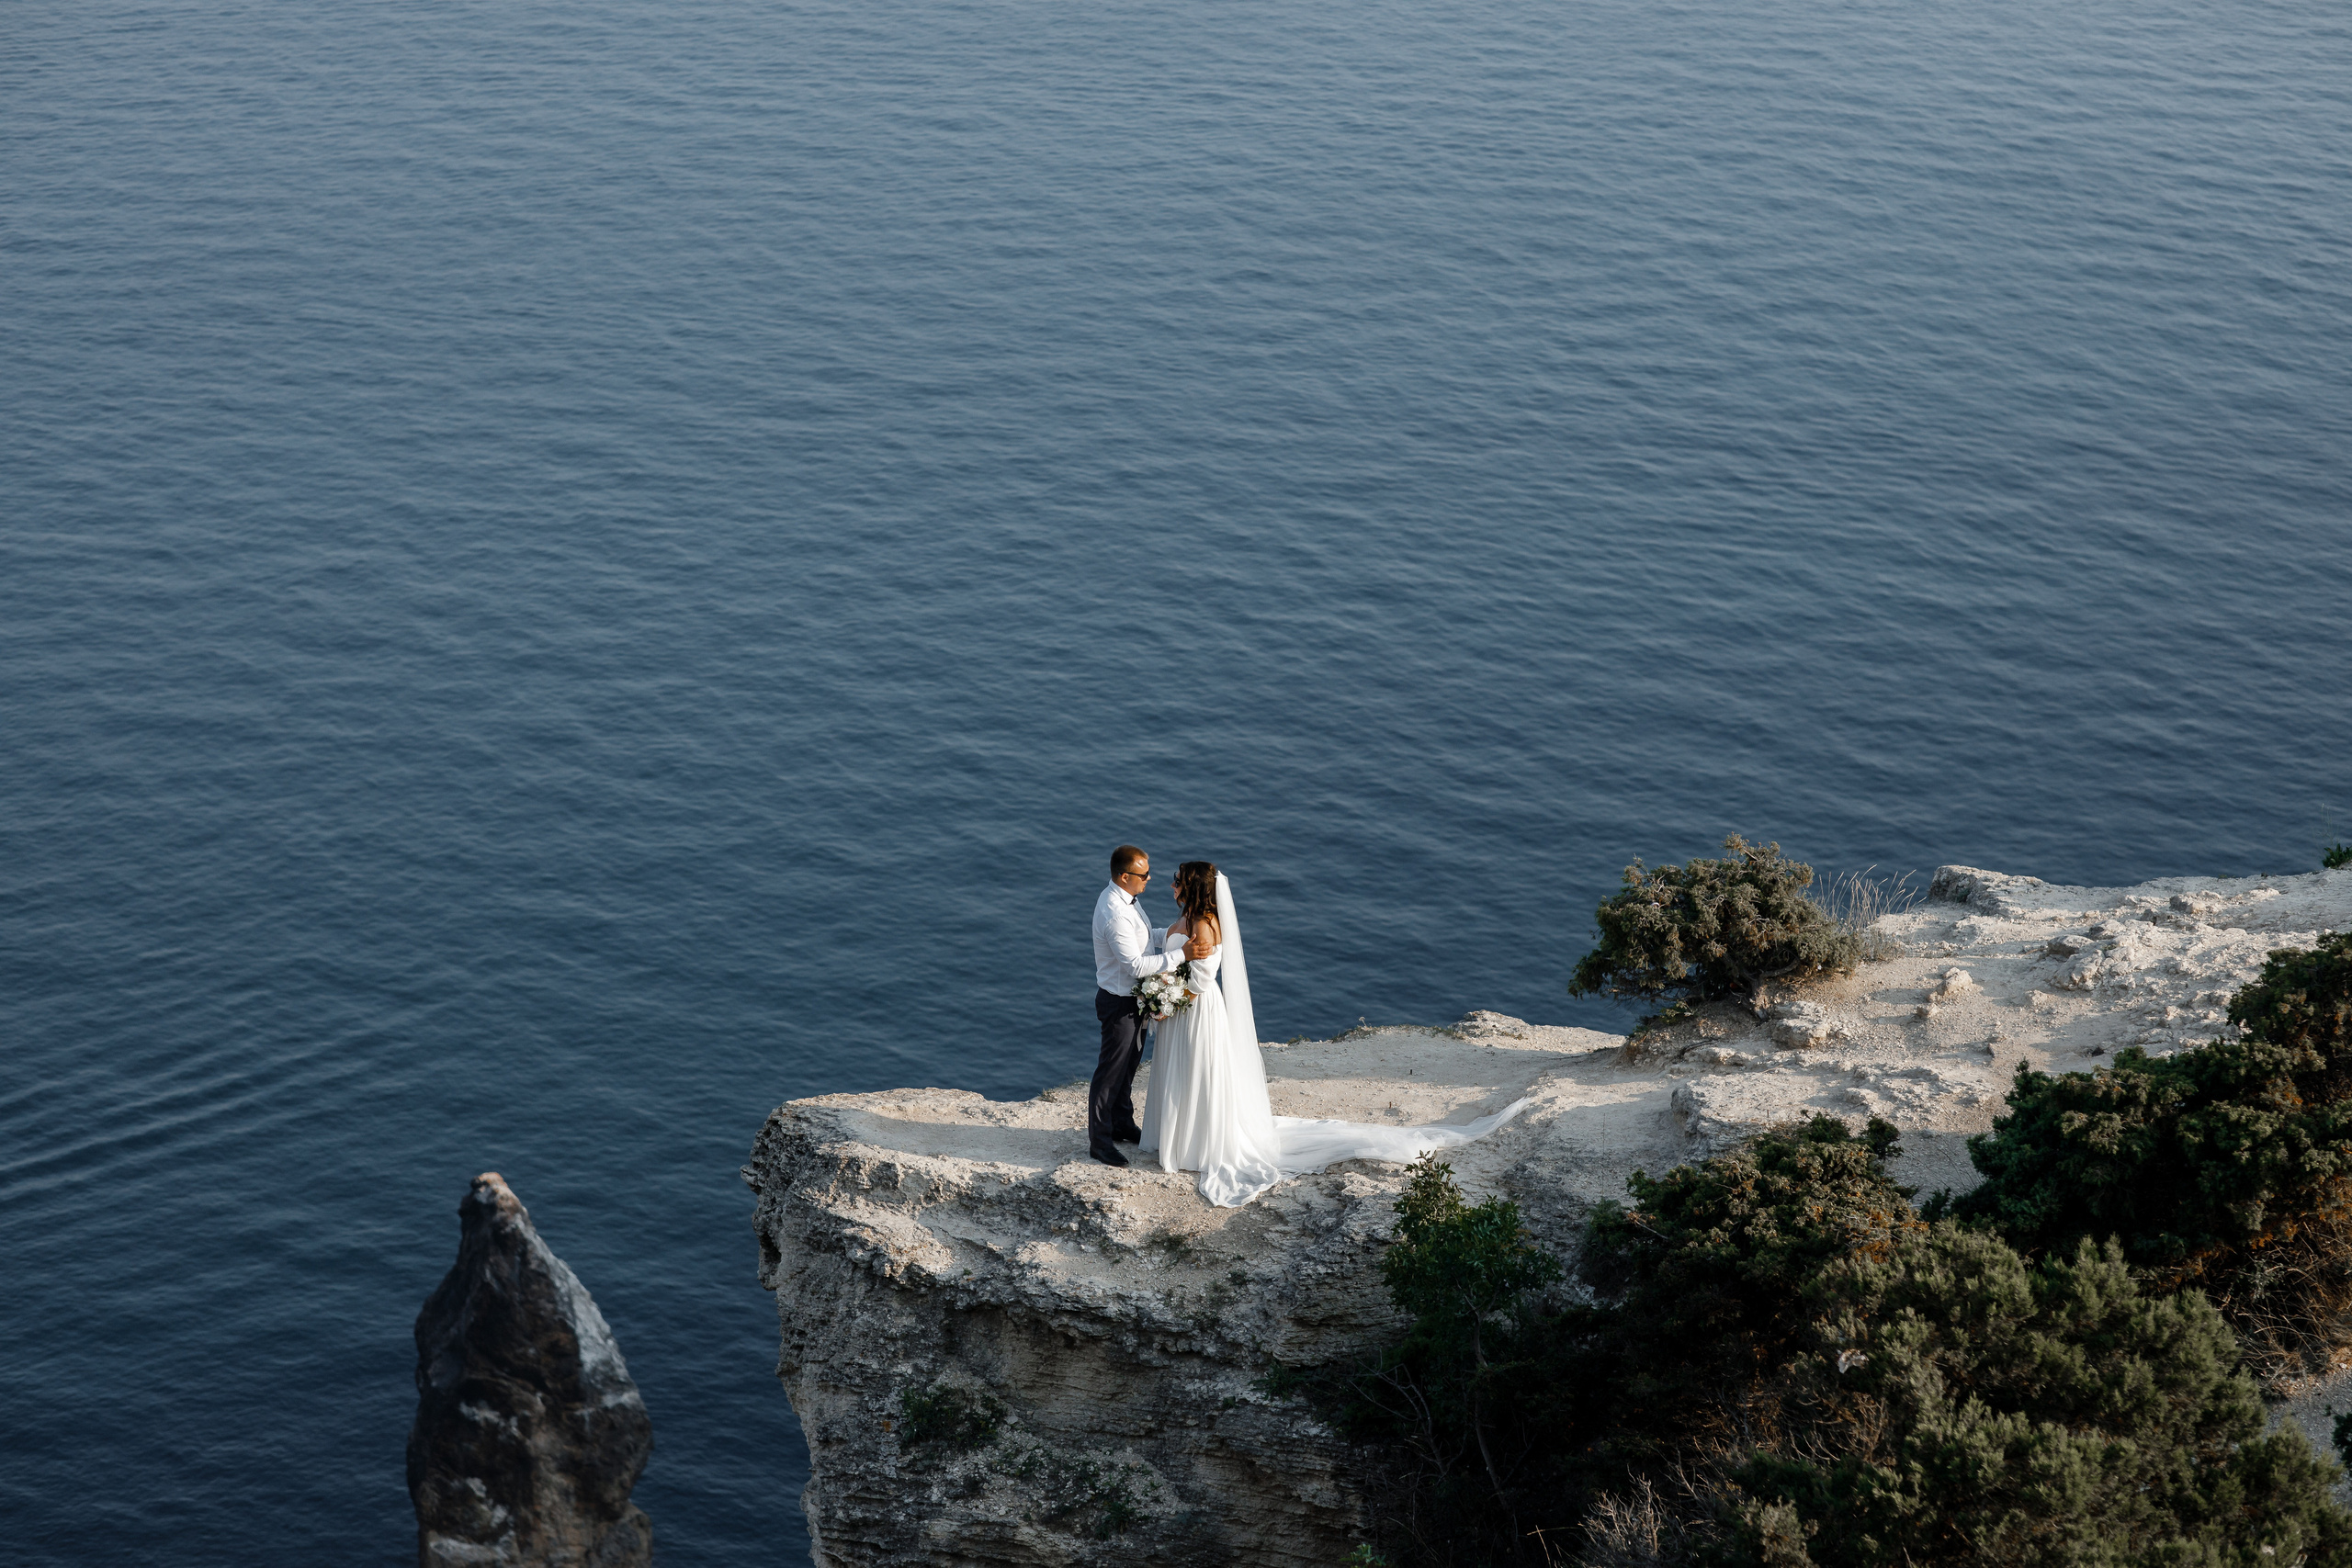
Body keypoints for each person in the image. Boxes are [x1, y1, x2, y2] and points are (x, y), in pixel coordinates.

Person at [1137, 860, 1531, 1207]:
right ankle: (1179, 1140)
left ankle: (1194, 1146)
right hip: (1180, 1013)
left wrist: (1165, 1002)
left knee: (1194, 1076)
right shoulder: (1188, 918)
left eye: (1177, 879)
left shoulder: (1204, 926)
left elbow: (1203, 979)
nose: (1171, 884)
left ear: (1193, 887)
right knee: (1182, 1075)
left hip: (1194, 1012)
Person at [1090, 845, 1212, 1168]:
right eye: (1144, 875)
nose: (1150, 879)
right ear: (1125, 876)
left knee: (1128, 1067)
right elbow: (1134, 964)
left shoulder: (1128, 899)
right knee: (1110, 1071)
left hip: (1136, 999)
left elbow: (1143, 938)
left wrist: (1172, 935)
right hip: (1120, 1001)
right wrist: (1182, 954)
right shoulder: (1114, 913)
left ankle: (1122, 1123)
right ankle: (1099, 1142)